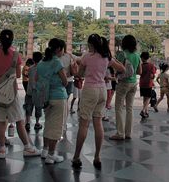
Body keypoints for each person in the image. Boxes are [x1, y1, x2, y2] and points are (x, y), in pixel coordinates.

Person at [0, 29, 40, 159]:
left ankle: (2, 148)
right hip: (12, 93)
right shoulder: (15, 55)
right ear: (12, 40)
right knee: (19, 120)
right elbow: (19, 75)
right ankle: (27, 147)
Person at [71, 35, 124, 170]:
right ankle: (97, 157)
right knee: (98, 123)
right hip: (102, 91)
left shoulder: (87, 56)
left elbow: (80, 74)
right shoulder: (106, 57)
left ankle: (77, 157)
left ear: (90, 44)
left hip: (90, 90)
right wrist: (109, 71)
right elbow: (122, 69)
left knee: (83, 124)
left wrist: (75, 66)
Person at [36, 38, 68, 164]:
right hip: (58, 97)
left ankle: (44, 150)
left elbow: (38, 78)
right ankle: (51, 155)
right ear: (59, 49)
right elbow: (65, 81)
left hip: (45, 98)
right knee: (56, 127)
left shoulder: (42, 63)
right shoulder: (57, 63)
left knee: (48, 123)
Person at [109, 35, 142, 141]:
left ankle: (120, 133)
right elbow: (139, 72)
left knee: (118, 108)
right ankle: (128, 133)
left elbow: (117, 69)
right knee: (129, 108)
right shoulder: (137, 56)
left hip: (123, 83)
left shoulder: (122, 54)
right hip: (133, 83)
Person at [24, 52, 43, 132]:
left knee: (29, 107)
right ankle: (37, 123)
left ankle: (27, 122)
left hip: (29, 91)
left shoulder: (30, 68)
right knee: (38, 108)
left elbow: (28, 76)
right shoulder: (43, 68)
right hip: (38, 92)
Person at [138, 52, 156, 118]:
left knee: (144, 98)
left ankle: (146, 112)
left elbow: (139, 73)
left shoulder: (140, 65)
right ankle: (143, 110)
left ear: (141, 58)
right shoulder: (151, 65)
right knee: (148, 97)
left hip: (142, 83)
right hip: (148, 84)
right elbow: (152, 75)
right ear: (148, 58)